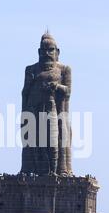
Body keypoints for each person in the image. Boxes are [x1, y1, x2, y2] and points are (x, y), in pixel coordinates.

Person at [21, 32, 72, 176]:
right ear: (39, 52)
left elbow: (68, 91)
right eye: (44, 50)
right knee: (32, 143)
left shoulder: (64, 70)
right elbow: (25, 92)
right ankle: (29, 170)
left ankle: (60, 171)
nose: (47, 53)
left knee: (58, 142)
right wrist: (24, 115)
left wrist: (56, 87)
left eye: (51, 50)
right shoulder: (31, 70)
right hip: (34, 111)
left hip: (56, 112)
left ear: (58, 52)